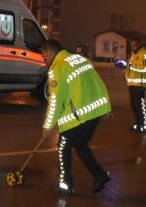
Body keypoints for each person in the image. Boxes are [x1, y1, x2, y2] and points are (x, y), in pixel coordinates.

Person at [41, 39, 111, 196]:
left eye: (44, 55)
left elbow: (55, 101)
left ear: (51, 53)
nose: (43, 59)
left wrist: (48, 126)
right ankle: (99, 175)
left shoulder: (58, 68)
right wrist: (105, 106)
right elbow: (97, 81)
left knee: (63, 146)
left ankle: (65, 185)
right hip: (96, 110)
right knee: (80, 144)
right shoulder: (79, 59)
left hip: (80, 113)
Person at [125, 38, 146, 133]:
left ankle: (143, 127)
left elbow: (144, 68)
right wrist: (126, 76)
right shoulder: (133, 55)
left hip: (140, 84)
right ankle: (137, 125)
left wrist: (132, 67)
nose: (132, 46)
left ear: (139, 44)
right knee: (133, 106)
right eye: (131, 45)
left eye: (134, 45)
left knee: (140, 106)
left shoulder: (145, 54)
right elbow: (129, 69)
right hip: (131, 84)